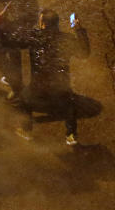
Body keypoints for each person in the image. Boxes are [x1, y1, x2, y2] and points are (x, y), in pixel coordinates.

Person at [7, 8, 90, 146]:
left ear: (43, 24)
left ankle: (26, 130)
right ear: (57, 24)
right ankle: (71, 135)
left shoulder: (35, 36)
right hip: (61, 89)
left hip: (38, 89)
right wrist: (79, 30)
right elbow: (84, 53)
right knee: (70, 103)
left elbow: (14, 40)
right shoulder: (67, 39)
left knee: (22, 98)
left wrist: (10, 21)